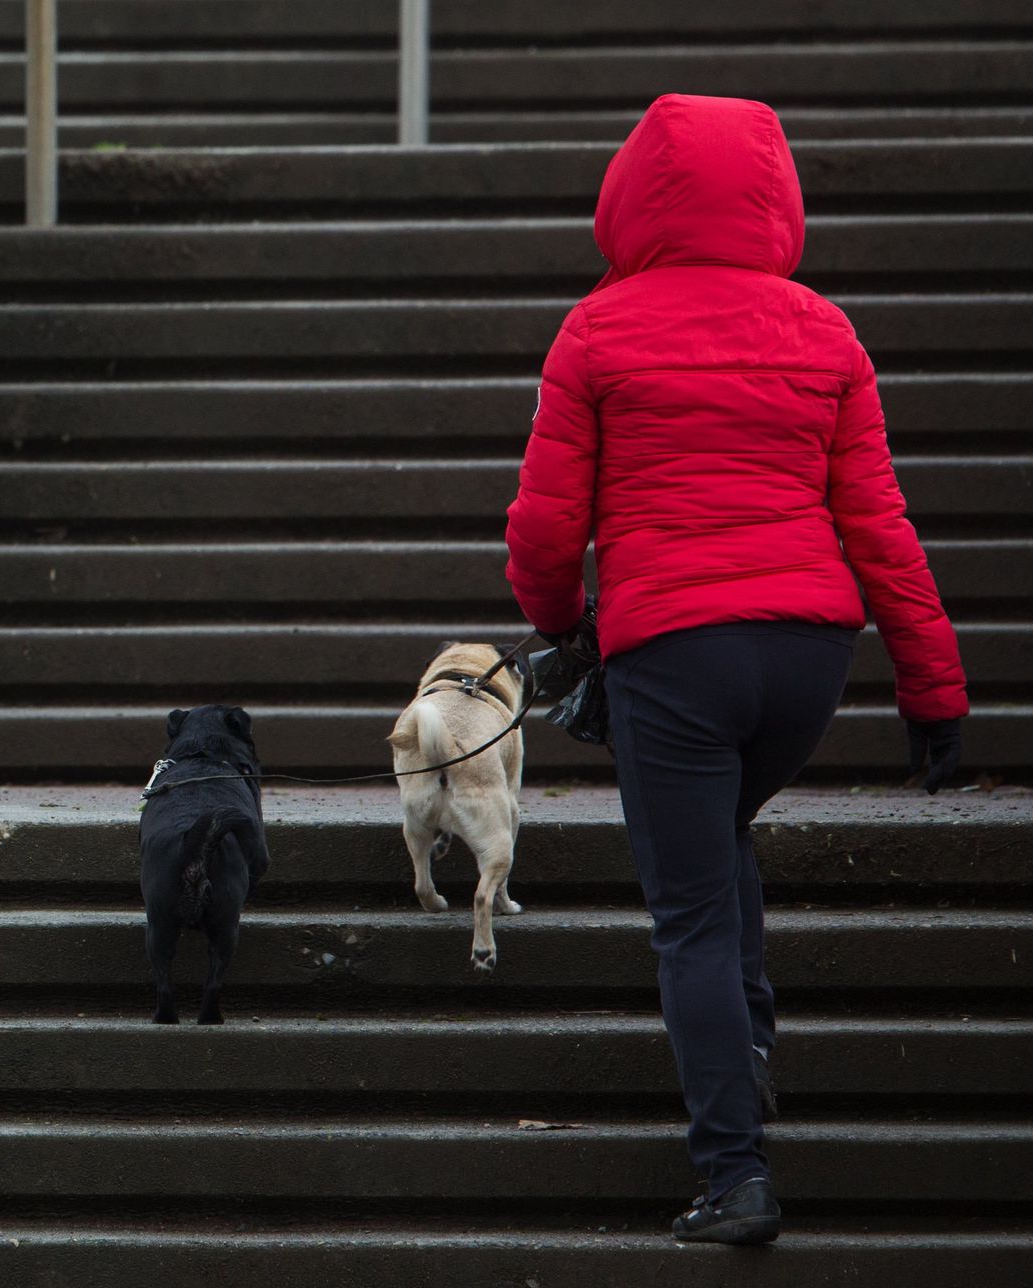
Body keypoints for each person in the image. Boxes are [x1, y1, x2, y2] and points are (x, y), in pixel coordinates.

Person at [503, 94, 969, 1245]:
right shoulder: (824, 329)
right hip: (809, 654)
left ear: (632, 195)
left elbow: (546, 530)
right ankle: (748, 1042)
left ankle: (734, 1173)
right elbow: (880, 525)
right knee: (719, 853)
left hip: (675, 650)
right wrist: (932, 683)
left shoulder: (598, 331)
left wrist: (562, 624)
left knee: (692, 915)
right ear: (776, 197)